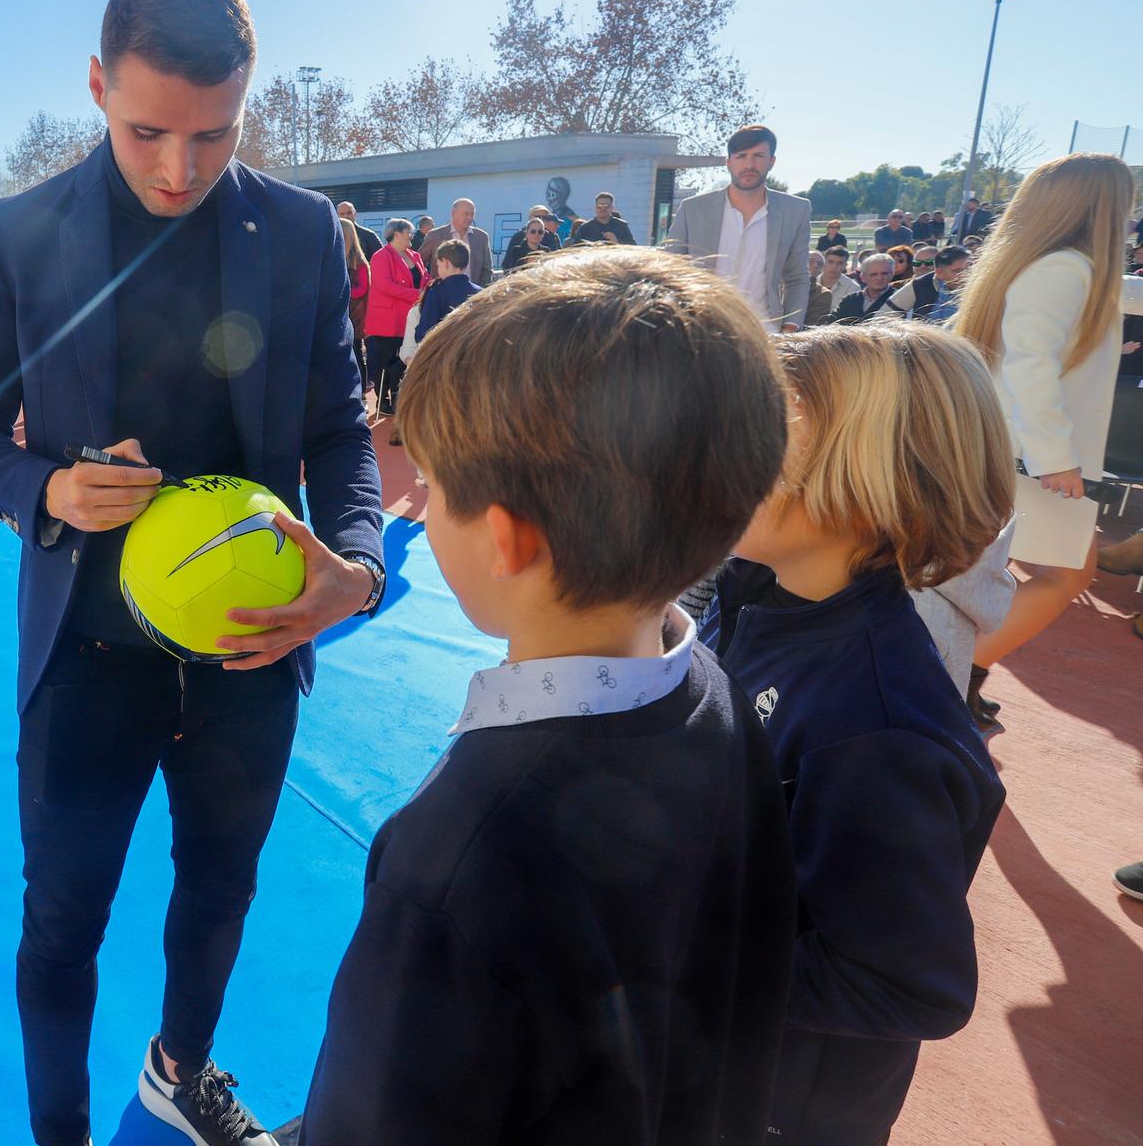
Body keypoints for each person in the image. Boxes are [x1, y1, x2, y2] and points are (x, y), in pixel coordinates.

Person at [0, 0, 384, 1146]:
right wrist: (46, 486)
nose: (179, 169)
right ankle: (60, 1131)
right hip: (88, 650)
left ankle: (180, 1073)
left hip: (251, 643)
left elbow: (340, 432)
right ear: (94, 84)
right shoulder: (20, 236)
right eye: (146, 133)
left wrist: (357, 564)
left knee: (219, 889)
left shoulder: (295, 232)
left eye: (213, 135)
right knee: (62, 921)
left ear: (247, 103)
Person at [298, 250, 795, 1145]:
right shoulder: (719, 696)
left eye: (434, 488)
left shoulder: (451, 864)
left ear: (507, 540)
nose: (424, 504)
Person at [702, 320, 1013, 1143]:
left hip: (774, 1108)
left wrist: (679, 954)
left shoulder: (877, 728)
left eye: (767, 441)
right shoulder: (754, 594)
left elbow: (913, 984)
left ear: (866, 484)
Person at [955, 153, 1143, 718]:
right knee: (1065, 577)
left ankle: (957, 676)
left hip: (1020, 454)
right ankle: (955, 679)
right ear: (1102, 207)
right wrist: (1054, 456)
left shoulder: (1058, 266)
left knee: (994, 573)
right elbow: (1030, 365)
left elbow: (1122, 295)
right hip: (1034, 460)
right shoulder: (1066, 269)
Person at [662, 123, 814, 332]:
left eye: (758, 156)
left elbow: (797, 278)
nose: (749, 164)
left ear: (771, 161)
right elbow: (668, 271)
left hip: (766, 334)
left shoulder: (795, 210)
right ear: (729, 163)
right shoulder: (693, 209)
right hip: (703, 332)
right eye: (741, 156)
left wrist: (789, 329)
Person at [363, 218, 426, 433]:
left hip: (409, 318)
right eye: (409, 232)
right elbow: (384, 285)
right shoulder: (381, 256)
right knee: (385, 361)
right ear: (397, 233)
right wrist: (417, 295)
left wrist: (428, 287)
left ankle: (399, 397)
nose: (412, 235)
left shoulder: (414, 256)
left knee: (403, 360)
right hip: (387, 319)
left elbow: (424, 278)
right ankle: (383, 400)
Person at [412, 237, 476, 344]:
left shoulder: (437, 293)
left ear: (446, 263)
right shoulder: (480, 292)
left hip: (446, 356)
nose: (438, 269)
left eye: (438, 265)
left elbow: (424, 334)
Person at [419, 196, 492, 285]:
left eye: (472, 214)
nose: (469, 218)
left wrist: (481, 292)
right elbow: (419, 263)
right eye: (465, 214)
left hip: (473, 295)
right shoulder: (435, 235)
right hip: (442, 294)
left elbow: (487, 269)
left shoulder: (481, 237)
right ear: (453, 213)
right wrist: (429, 284)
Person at [890, 244, 969, 321]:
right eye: (917, 263)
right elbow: (885, 314)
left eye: (928, 262)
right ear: (939, 271)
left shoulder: (975, 291)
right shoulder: (915, 285)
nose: (922, 266)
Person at [338, 215, 370, 385]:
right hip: (342, 313)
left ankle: (362, 391)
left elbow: (363, 288)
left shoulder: (359, 261)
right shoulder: (335, 257)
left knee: (356, 352)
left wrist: (343, 291)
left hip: (355, 315)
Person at [833, 253, 901, 322]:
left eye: (884, 273)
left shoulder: (898, 299)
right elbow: (833, 324)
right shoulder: (849, 300)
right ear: (863, 277)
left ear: (892, 274)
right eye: (873, 274)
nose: (879, 278)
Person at [805, 245, 859, 326]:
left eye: (840, 263)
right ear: (824, 262)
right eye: (830, 262)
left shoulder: (853, 288)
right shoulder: (810, 283)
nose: (834, 267)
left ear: (845, 266)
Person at [568, 190, 634, 246]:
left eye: (606, 206)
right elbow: (574, 250)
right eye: (599, 206)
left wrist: (617, 242)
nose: (602, 209)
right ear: (595, 208)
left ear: (612, 208)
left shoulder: (621, 226)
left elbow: (633, 249)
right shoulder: (585, 228)